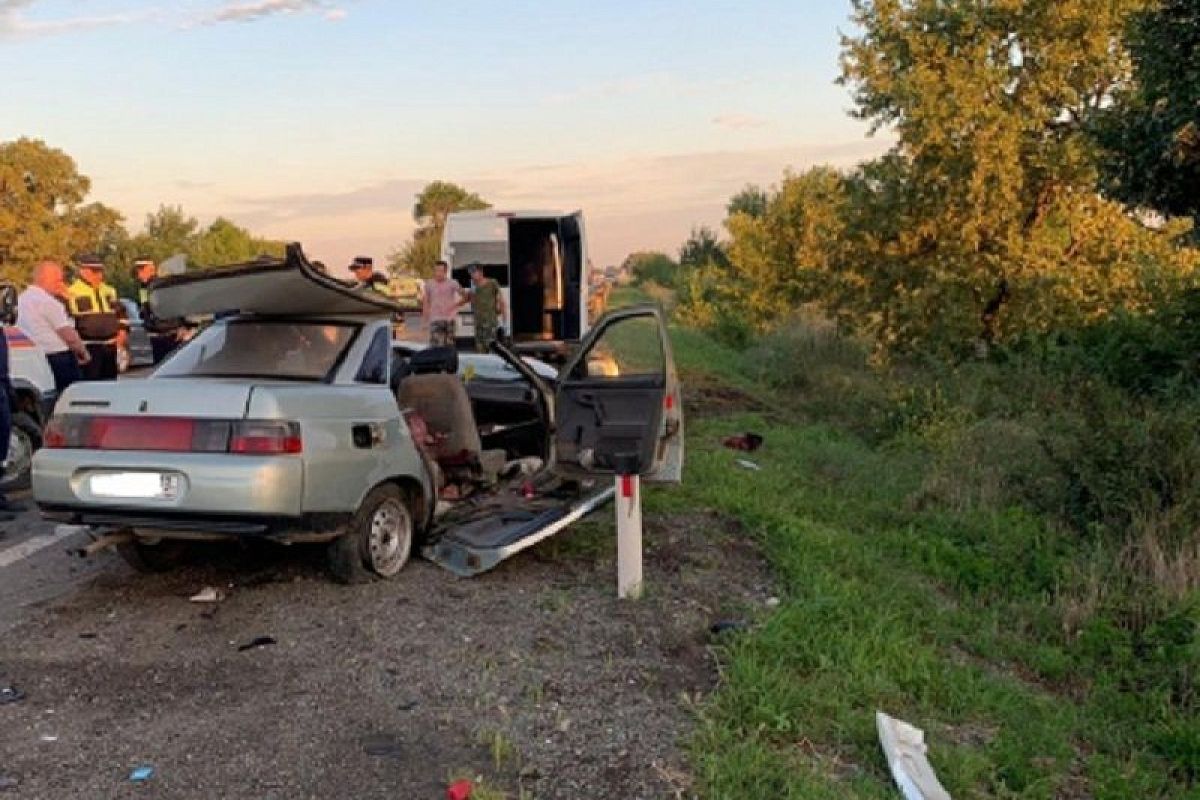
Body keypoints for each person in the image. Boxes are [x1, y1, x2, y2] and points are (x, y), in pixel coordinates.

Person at [17, 261, 91, 392]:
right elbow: (68, 335)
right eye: (57, 280)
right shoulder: (49, 303)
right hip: (58, 357)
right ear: (43, 279)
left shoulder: (21, 299)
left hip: (33, 357)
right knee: (73, 394)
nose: (61, 284)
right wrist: (83, 352)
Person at [65, 254, 125, 381]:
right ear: (83, 271)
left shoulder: (109, 290)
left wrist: (123, 331)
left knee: (110, 382)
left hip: (110, 346)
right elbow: (68, 321)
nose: (99, 276)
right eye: (94, 272)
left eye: (100, 272)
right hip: (89, 347)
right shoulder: (72, 292)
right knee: (91, 382)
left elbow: (121, 313)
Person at [133, 258, 186, 365]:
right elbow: (145, 307)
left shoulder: (160, 285)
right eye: (138, 271)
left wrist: (182, 325)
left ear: (151, 270)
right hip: (156, 333)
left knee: (171, 364)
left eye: (141, 271)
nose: (139, 275)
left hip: (169, 333)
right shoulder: (143, 287)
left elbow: (175, 305)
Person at [459, 263, 506, 353]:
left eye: (474, 273)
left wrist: (504, 322)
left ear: (481, 272)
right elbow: (466, 299)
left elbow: (502, 302)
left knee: (492, 350)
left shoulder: (492, 283)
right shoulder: (473, 287)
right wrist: (452, 306)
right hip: (478, 325)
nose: (472, 275)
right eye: (471, 274)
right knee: (480, 351)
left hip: (490, 324)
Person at [422, 260, 464, 348]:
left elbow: (465, 296)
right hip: (435, 319)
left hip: (449, 320)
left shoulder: (453, 283)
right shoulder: (429, 284)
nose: (438, 273)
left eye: (440, 271)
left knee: (449, 347)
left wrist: (457, 304)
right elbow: (426, 303)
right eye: (436, 271)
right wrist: (425, 321)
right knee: (436, 347)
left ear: (445, 271)